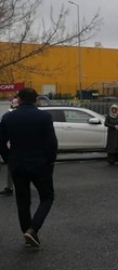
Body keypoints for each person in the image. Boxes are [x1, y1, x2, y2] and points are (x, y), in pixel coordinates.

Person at [0, 88, 57, 247]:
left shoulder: (8, 117)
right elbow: (51, 142)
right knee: (47, 197)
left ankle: (27, 233)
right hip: (40, 163)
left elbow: (1, 142)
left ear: (18, 100)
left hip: (17, 164)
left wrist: (8, 158)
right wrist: (50, 160)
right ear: (35, 99)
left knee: (22, 201)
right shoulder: (44, 117)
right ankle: (33, 229)